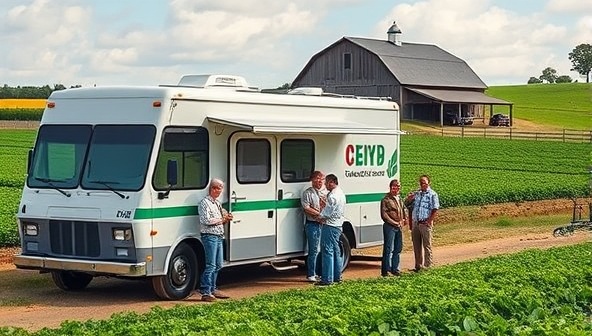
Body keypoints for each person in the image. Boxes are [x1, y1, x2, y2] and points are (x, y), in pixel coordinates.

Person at [197, 178, 233, 302]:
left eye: (221, 188)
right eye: (218, 188)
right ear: (212, 188)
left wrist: (226, 217)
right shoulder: (204, 203)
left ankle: (213, 288)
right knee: (210, 265)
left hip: (218, 236)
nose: (220, 191)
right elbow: (205, 221)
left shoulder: (217, 203)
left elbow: (220, 217)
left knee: (218, 264)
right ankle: (205, 291)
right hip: (209, 236)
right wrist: (222, 220)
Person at [315, 174, 346, 286]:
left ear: (332, 182)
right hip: (338, 225)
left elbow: (328, 212)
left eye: (327, 183)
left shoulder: (333, 196)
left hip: (330, 225)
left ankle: (327, 279)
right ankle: (337, 277)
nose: (325, 185)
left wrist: (320, 216)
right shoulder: (341, 193)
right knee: (336, 251)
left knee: (327, 251)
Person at [406, 175, 440, 272]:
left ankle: (428, 266)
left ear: (429, 183)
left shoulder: (433, 194)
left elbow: (435, 209)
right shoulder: (417, 194)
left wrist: (429, 221)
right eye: (421, 182)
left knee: (427, 245)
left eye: (424, 182)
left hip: (425, 223)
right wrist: (409, 199)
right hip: (416, 223)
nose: (422, 184)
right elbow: (408, 205)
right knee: (416, 246)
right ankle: (418, 266)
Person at [300, 170, 327, 282]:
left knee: (321, 250)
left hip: (323, 225)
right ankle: (311, 273)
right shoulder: (308, 193)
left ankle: (320, 273)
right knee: (313, 250)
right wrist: (319, 214)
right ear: (312, 180)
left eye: (321, 179)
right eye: (317, 178)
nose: (319, 181)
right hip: (312, 224)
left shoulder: (325, 193)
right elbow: (306, 208)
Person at [380, 179, 406, 277]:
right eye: (394, 186)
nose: (396, 188)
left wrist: (404, 219)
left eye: (398, 186)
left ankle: (395, 268)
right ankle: (385, 271)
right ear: (391, 187)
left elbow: (403, 209)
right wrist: (394, 222)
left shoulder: (399, 198)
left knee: (398, 248)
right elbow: (384, 215)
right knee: (388, 248)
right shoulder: (386, 200)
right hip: (389, 227)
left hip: (399, 226)